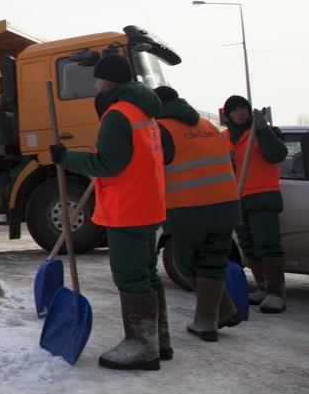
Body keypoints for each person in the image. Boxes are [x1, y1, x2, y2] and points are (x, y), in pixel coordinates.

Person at [50, 53, 167, 370]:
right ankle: (159, 342)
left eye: (98, 79)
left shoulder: (118, 115)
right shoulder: (146, 111)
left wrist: (66, 158)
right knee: (145, 274)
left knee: (131, 276)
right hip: (148, 204)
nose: (96, 85)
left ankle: (142, 347)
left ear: (109, 81)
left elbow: (108, 164)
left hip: (128, 208)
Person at [154, 86, 241, 341]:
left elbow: (153, 167)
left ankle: (217, 314)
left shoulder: (161, 128)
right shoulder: (207, 125)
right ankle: (211, 320)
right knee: (213, 262)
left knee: (184, 262)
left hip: (189, 208)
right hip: (225, 205)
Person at [221, 95, 288, 313]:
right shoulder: (224, 138)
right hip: (236, 197)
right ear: (228, 115)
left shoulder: (261, 132)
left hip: (263, 196)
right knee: (248, 244)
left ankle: (276, 293)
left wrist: (264, 130)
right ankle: (262, 287)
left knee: (267, 243)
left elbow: (278, 155)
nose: (240, 113)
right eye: (235, 110)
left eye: (243, 109)